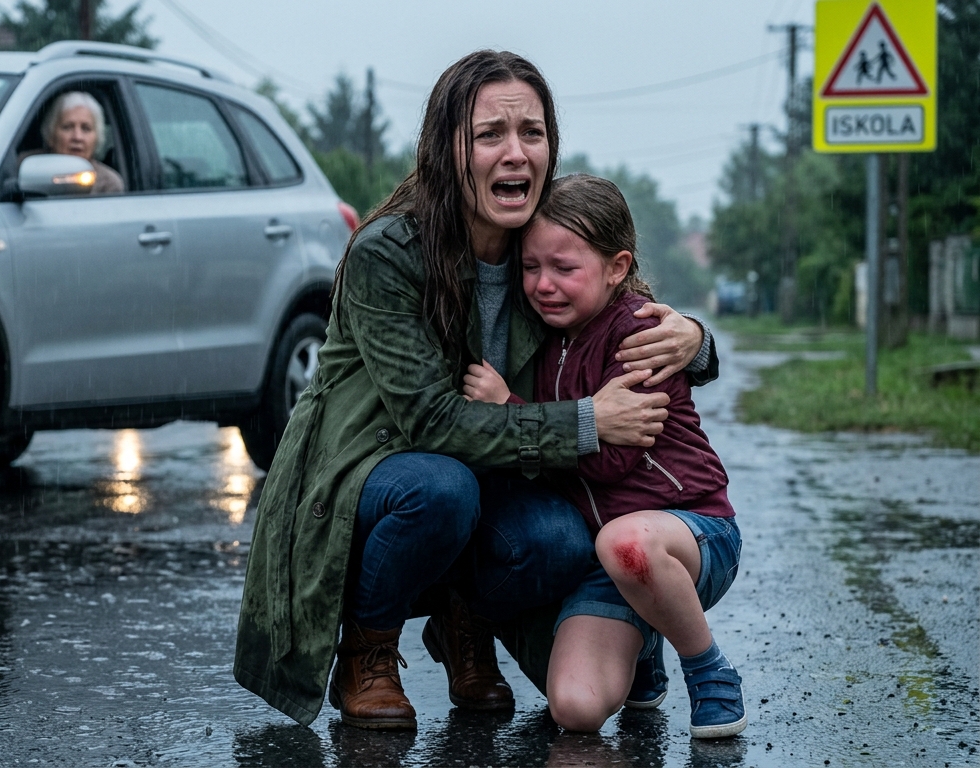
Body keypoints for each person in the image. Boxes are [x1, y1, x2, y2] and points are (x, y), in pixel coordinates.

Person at [233, 50, 719, 730]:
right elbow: (431, 423)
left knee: (557, 537)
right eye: (490, 134)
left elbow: (618, 302)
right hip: (367, 472)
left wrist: (695, 341)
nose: (515, 152)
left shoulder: (540, 244)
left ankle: (466, 620)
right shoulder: (388, 253)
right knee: (439, 489)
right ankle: (367, 649)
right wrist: (584, 423)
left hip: (485, 473)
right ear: (447, 149)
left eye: (533, 132)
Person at [463, 173, 745, 738]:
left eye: (565, 268)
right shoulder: (539, 334)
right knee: (576, 708)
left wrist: (510, 407)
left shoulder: (640, 333)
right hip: (605, 559)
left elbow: (614, 461)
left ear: (617, 267)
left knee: (627, 544)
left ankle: (708, 669)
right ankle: (644, 647)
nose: (543, 285)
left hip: (689, 536)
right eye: (531, 267)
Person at [30, 91, 125, 194]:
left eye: (86, 128)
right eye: (68, 127)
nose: (77, 137)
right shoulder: (29, 168)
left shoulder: (107, 184)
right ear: (51, 134)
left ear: (97, 138)